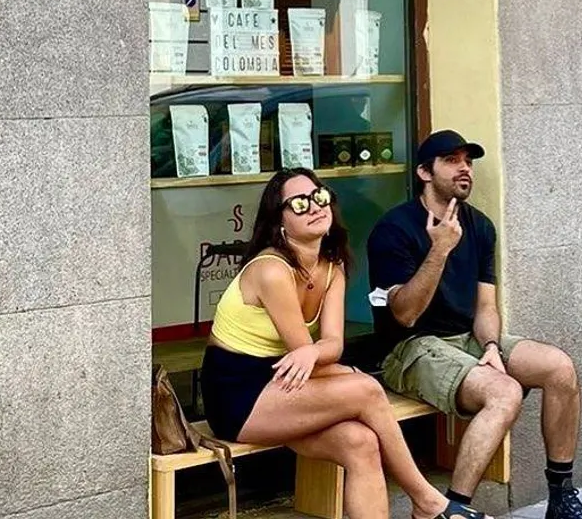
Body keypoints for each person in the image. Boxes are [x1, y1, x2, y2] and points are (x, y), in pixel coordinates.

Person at [200, 168, 485, 519]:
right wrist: (330, 364)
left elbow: (330, 346)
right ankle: (427, 502)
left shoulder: (332, 265)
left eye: (319, 196)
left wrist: (328, 360)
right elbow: (304, 352)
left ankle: (425, 505)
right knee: (366, 390)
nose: (314, 206)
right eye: (299, 203)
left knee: (361, 443)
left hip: (287, 379)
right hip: (238, 394)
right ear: (280, 221)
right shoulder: (271, 270)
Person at [367, 131, 582, 519]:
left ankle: (561, 496)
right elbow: (404, 315)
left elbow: (485, 305)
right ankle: (452, 509)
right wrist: (439, 249)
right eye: (452, 160)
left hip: (467, 340)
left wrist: (490, 347)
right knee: (504, 393)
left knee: (560, 368)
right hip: (410, 348)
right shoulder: (395, 229)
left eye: (468, 162)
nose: (464, 169)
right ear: (425, 171)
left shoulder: (481, 226)